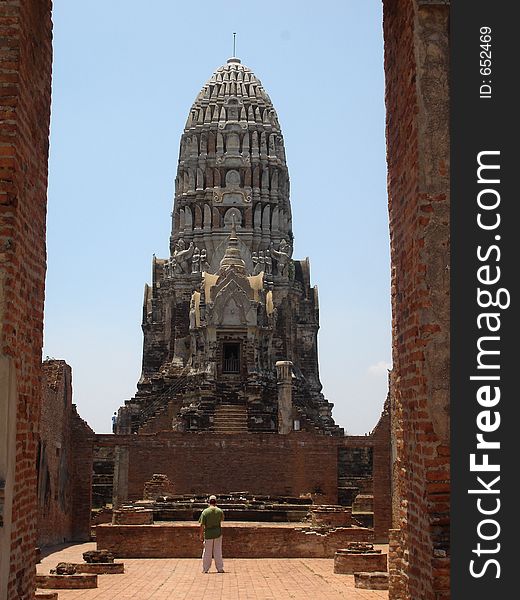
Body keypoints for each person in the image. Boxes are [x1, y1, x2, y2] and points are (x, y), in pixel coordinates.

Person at [199, 494, 224, 573]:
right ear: (216, 502)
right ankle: (219, 568)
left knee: (207, 552)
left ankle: (205, 568)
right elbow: (221, 520)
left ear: (209, 502)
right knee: (218, 551)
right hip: (217, 533)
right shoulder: (219, 511)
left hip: (208, 533)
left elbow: (202, 525)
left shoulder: (205, 512)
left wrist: (201, 535)